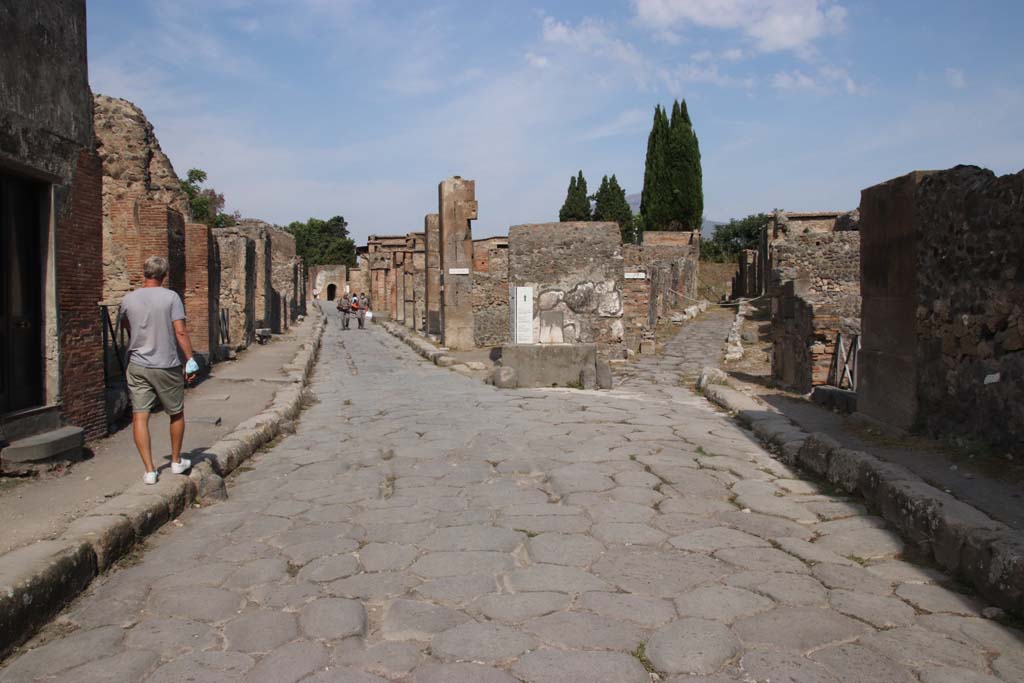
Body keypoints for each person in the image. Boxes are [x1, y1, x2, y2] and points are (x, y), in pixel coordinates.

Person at [119, 256, 198, 484]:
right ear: (164, 275)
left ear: (144, 273)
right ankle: (175, 461)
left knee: (140, 416)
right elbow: (180, 332)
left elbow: (126, 326)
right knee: (176, 412)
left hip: (137, 364)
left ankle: (150, 470)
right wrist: (190, 359)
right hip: (166, 364)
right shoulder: (171, 297)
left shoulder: (128, 299)